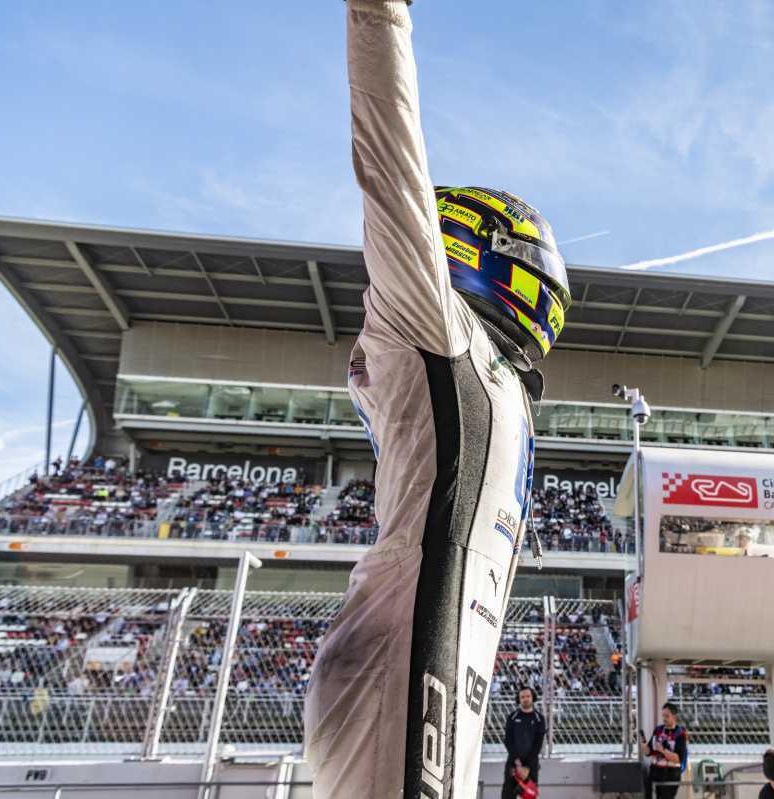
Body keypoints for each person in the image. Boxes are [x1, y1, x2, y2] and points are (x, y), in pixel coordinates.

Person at [302, 2, 572, 797]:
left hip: (411, 655)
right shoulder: (457, 345)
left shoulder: (483, 369)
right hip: (406, 660)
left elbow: (393, 169)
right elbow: (390, 165)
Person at [502, 687, 547, 799]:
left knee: (530, 796)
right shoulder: (512, 717)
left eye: (528, 696)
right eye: (522, 697)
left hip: (530, 765)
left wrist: (526, 767)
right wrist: (518, 764)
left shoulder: (539, 719)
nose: (525, 699)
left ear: (533, 698)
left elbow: (538, 744)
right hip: (513, 764)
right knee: (507, 795)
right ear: (519, 699)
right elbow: (508, 741)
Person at [639, 703, 688, 799]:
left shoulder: (680, 733)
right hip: (655, 771)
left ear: (674, 717)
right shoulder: (658, 730)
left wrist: (663, 751)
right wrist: (645, 748)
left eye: (667, 716)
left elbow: (678, 759)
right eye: (663, 716)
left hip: (670, 773)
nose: (664, 718)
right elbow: (650, 752)